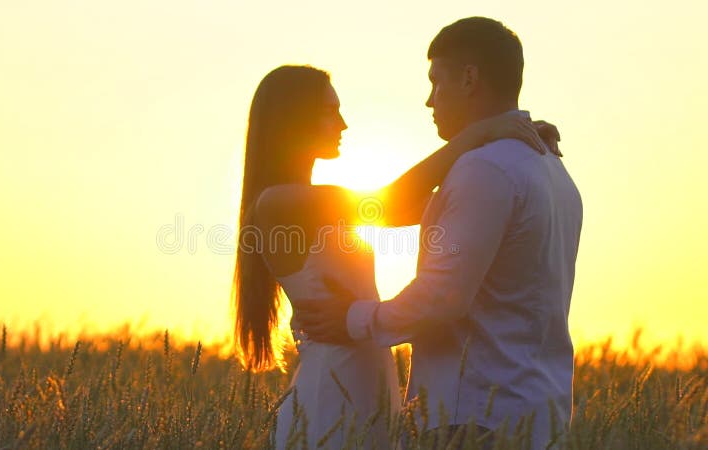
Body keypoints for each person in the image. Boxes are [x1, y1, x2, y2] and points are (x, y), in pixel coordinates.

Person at [233, 64, 559, 449]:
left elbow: (437, 205)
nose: (343, 124)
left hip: (364, 385)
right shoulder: (278, 202)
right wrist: (482, 133)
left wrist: (513, 150)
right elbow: (392, 201)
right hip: (328, 393)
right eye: (330, 111)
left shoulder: (322, 203)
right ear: (294, 119)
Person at [295, 17, 583, 450]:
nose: (429, 101)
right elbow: (392, 210)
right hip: (539, 418)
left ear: (469, 79)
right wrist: (473, 139)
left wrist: (353, 317)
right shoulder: (552, 169)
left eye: (435, 81)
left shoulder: (484, 169)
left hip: (474, 420)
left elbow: (442, 298)